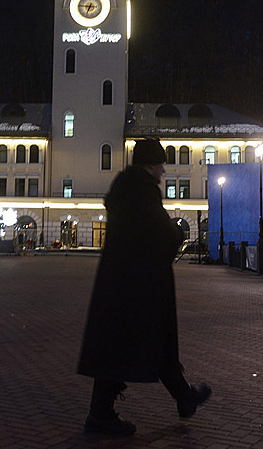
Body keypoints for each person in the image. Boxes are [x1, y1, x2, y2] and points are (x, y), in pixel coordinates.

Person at [77, 139, 210, 436]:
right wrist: (176, 234)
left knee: (144, 344)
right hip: (140, 288)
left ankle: (184, 398)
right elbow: (162, 232)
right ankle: (100, 415)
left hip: (124, 286)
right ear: (150, 164)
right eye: (161, 163)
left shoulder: (125, 188)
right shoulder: (143, 190)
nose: (164, 169)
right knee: (128, 346)